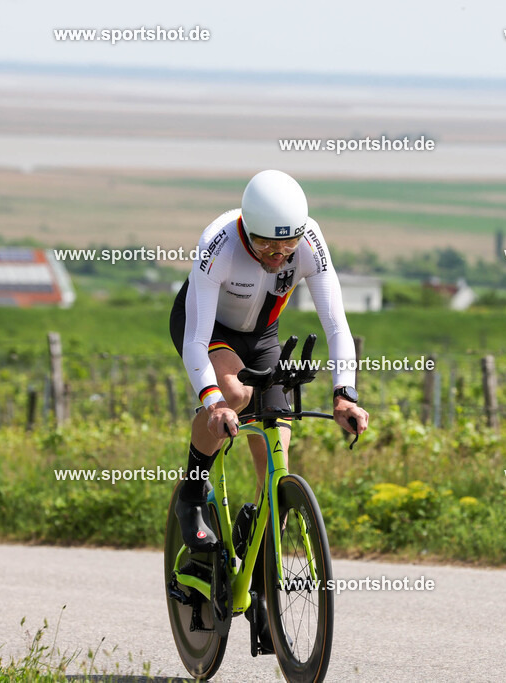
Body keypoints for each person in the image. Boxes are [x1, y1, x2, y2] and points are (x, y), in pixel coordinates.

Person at [169, 169, 369, 651]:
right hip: (208, 329)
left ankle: (260, 557)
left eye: (287, 248)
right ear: (246, 230)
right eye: (266, 248)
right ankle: (193, 491)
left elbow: (337, 322)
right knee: (236, 396)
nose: (279, 257)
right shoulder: (218, 242)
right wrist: (213, 400)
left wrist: (346, 392)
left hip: (261, 338)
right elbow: (195, 340)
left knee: (277, 448)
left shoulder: (309, 241)